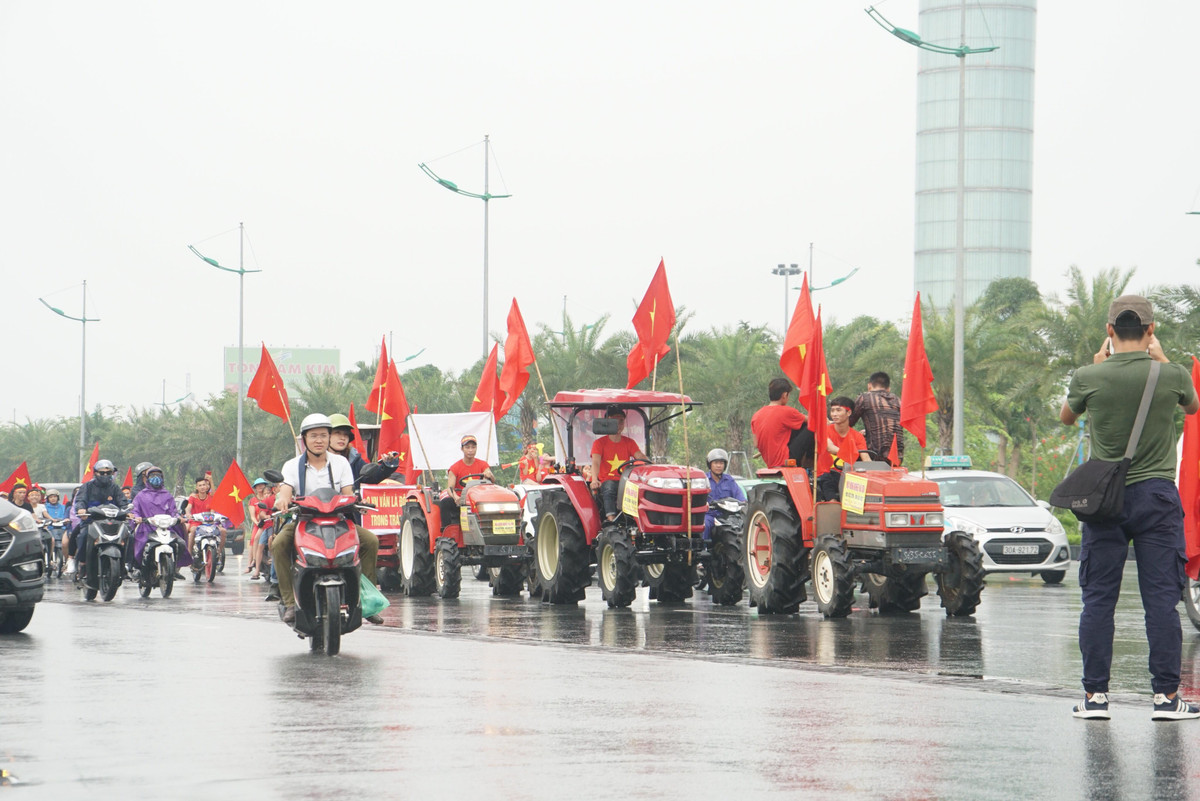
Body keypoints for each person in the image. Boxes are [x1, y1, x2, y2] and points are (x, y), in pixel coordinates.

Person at [1060, 295, 1200, 721]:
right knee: (1161, 600)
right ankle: (1165, 699)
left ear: (1109, 332)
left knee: (1099, 598)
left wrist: (1097, 366)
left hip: (1106, 498)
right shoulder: (1172, 374)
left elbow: (1066, 417)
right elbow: (1193, 406)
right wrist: (1163, 359)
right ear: (1150, 330)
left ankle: (1096, 699)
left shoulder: (1089, 375)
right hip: (1157, 495)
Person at [271, 413, 381, 625]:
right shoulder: (292, 465)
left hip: (338, 520)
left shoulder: (341, 463)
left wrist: (355, 500)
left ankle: (366, 601)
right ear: (305, 440)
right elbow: (285, 490)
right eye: (313, 436)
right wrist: (282, 500)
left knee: (370, 541)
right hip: (304, 521)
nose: (319, 440)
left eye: (323, 435)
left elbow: (347, 492)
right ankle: (289, 603)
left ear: (329, 438)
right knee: (278, 544)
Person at [69, 460, 129, 577]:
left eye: (108, 473)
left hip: (112, 522)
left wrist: (127, 511)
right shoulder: (87, 486)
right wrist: (81, 509)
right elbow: (80, 500)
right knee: (83, 535)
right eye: (102, 473)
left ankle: (125, 564)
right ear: (95, 473)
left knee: (129, 536)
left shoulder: (115, 488)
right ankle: (82, 562)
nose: (105, 475)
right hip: (92, 521)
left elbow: (123, 502)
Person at [589, 407, 649, 522]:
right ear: (607, 422)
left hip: (624, 480)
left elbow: (640, 456)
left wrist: (652, 465)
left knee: (640, 488)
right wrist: (594, 480)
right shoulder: (599, 443)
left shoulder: (629, 442)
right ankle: (611, 520)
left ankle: (637, 521)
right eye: (614, 420)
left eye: (621, 420)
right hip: (606, 480)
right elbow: (595, 462)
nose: (618, 424)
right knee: (610, 486)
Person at [128, 466, 189, 578]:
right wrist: (137, 517)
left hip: (166, 528)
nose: (155, 478)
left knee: (180, 543)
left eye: (158, 475)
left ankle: (174, 567)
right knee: (137, 542)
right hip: (146, 528)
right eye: (152, 475)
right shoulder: (140, 495)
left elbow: (173, 511)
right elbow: (135, 510)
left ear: (162, 478)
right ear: (146, 478)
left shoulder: (167, 495)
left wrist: (178, 517)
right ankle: (137, 568)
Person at [439, 434, 496, 538]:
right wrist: (456, 498)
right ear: (462, 449)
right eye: (467, 447)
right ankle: (446, 533)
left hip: (478, 499)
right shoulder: (455, 468)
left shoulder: (483, 464)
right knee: (445, 503)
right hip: (462, 499)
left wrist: (489, 474)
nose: (470, 450)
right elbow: (450, 488)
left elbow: (490, 477)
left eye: (473, 447)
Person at [817, 396, 871, 502]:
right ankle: (833, 505)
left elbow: (866, 458)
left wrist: (875, 472)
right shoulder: (824, 431)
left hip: (848, 476)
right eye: (832, 411)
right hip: (826, 474)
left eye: (838, 410)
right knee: (828, 480)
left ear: (849, 413)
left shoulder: (857, 436)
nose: (834, 414)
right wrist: (850, 453)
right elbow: (830, 448)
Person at [750, 378, 812, 469]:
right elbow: (812, 421)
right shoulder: (786, 411)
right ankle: (809, 462)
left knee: (797, 425)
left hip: (769, 461)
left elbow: (756, 444)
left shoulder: (756, 415)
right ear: (784, 395)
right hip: (785, 459)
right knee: (812, 427)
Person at [328, 413, 400, 491]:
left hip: (348, 501)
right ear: (327, 435)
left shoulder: (354, 460)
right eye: (337, 433)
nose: (342, 438)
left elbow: (372, 477)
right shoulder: (316, 460)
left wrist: (386, 466)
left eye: (346, 435)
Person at [849, 372, 904, 464]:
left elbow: (849, 422)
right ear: (888, 389)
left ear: (869, 386)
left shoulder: (865, 397)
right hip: (898, 456)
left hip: (875, 455)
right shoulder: (898, 400)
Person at [181, 475, 224, 573]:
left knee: (223, 531)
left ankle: (218, 552)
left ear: (207, 486)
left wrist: (214, 518)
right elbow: (188, 508)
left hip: (208, 523)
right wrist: (188, 514)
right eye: (200, 485)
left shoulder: (211, 497)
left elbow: (213, 511)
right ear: (197, 487)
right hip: (196, 522)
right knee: (193, 530)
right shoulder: (193, 497)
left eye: (204, 485)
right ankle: (189, 553)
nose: (202, 487)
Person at [702, 448, 745, 538]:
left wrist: (744, 504)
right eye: (716, 463)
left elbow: (741, 498)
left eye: (721, 463)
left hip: (727, 516)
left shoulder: (729, 480)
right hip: (709, 515)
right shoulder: (703, 479)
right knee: (704, 526)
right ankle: (703, 549)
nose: (718, 466)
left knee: (740, 527)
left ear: (725, 465)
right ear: (710, 465)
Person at [247, 477, 275, 580]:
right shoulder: (255, 501)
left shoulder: (277, 499)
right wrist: (261, 519)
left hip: (275, 525)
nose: (260, 487)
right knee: (256, 540)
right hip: (262, 525)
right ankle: (254, 564)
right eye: (258, 486)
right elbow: (257, 516)